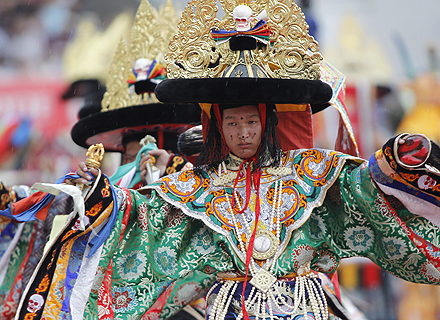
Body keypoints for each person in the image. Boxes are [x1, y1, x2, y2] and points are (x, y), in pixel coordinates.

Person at [9, 1, 440, 319]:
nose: (244, 133)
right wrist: (96, 196)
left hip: (308, 306)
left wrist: (396, 160)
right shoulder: (194, 187)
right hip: (229, 309)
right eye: (233, 124)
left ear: (268, 123)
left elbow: (361, 187)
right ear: (217, 127)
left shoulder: (315, 173)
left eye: (251, 122)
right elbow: (144, 214)